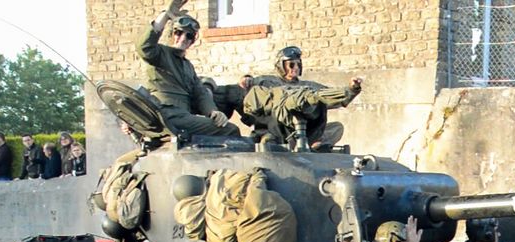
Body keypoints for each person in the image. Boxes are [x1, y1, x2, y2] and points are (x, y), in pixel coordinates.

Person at [136, 0, 240, 138]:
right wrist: (165, 15)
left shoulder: (188, 66)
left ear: (192, 42)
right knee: (231, 131)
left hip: (183, 116)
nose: (183, 38)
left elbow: (200, 93)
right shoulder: (159, 54)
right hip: (166, 114)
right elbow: (144, 46)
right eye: (178, 33)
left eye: (189, 36)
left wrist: (213, 111)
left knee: (221, 129)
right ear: (171, 35)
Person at [244, 46, 361, 149]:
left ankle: (312, 145)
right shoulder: (267, 82)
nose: (295, 68)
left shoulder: (308, 87)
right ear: (281, 66)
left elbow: (330, 96)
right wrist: (246, 79)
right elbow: (248, 88)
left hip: (303, 132)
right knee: (267, 138)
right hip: (276, 130)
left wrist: (352, 89)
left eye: (298, 64)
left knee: (336, 128)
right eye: (291, 64)